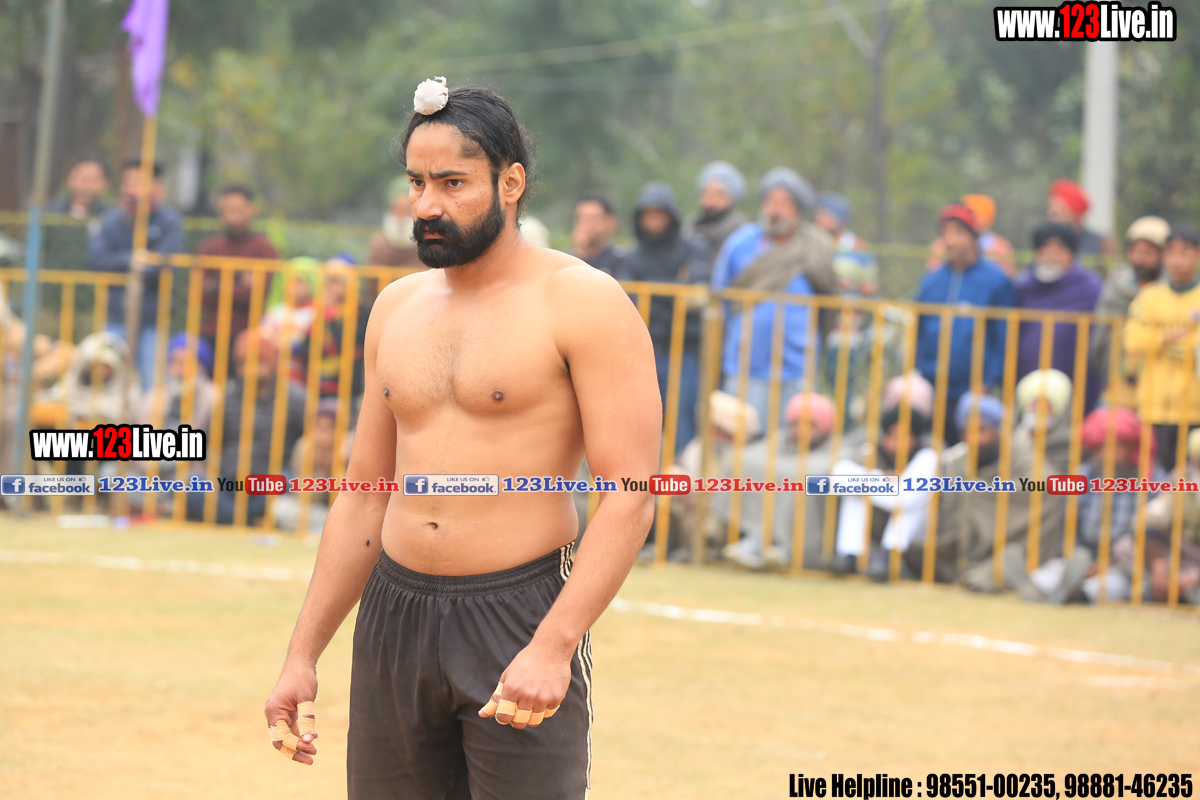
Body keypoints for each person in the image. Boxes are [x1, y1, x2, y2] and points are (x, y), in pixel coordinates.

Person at [263, 82, 660, 800]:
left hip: (517, 612)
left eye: (452, 183)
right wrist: (302, 654)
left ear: (512, 183)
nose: (426, 205)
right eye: (416, 182)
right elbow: (363, 496)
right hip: (394, 612)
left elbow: (629, 496)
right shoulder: (395, 307)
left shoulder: (584, 301)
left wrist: (553, 644)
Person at [710, 167, 835, 425]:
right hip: (745, 364)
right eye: (770, 202)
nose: (775, 210)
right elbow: (720, 297)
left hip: (796, 368)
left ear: (798, 211)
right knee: (739, 436)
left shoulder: (815, 247)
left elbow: (829, 302)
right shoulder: (741, 243)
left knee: (791, 440)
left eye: (784, 204)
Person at [618, 181, 707, 453]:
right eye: (648, 214)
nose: (653, 221)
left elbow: (697, 294)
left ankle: (682, 478)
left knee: (683, 420)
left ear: (671, 216)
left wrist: (654, 291)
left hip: (685, 350)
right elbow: (630, 302)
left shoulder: (693, 249)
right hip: (644, 350)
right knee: (640, 421)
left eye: (660, 214)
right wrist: (675, 289)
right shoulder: (631, 257)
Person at [187, 327, 306, 526]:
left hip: (272, 482)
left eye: (258, 361)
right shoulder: (227, 399)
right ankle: (251, 519)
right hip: (230, 482)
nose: (250, 369)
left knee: (288, 482)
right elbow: (207, 443)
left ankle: (236, 517)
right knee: (190, 484)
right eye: (243, 363)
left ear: (272, 362)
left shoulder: (295, 399)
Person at [915, 204, 1014, 444]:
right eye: (945, 233)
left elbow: (1003, 337)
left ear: (974, 237)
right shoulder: (931, 281)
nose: (951, 240)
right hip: (932, 384)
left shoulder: (996, 281)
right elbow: (918, 333)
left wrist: (989, 381)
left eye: (958, 232)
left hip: (974, 388)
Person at [87, 157, 186, 390]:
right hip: (116, 315)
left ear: (156, 185)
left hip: (153, 317)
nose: (133, 187)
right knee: (107, 382)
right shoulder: (112, 221)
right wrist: (133, 259)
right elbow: (97, 260)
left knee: (152, 384)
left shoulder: (168, 221)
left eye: (140, 181)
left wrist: (144, 264)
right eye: (128, 181)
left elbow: (166, 262)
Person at [717, 392, 838, 571]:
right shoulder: (777, 442)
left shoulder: (837, 452)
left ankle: (783, 548)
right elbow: (745, 458)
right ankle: (757, 540)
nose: (801, 430)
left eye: (810, 424)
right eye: (796, 423)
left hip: (811, 537)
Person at [829, 403, 937, 579]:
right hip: (876, 527)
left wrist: (867, 484)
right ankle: (850, 556)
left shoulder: (927, 456)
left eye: (903, 436)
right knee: (854, 494)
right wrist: (886, 480)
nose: (896, 442)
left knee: (911, 503)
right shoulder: (871, 452)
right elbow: (839, 475)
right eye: (891, 435)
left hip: (915, 540)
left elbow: (904, 499)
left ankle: (891, 559)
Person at [1123, 224, 1200, 473]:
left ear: (1197, 255)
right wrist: (1166, 338)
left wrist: (1176, 345)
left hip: (1193, 408)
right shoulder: (1149, 296)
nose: (1177, 260)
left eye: (1184, 253)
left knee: (1190, 478)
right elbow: (1132, 338)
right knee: (1155, 478)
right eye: (1171, 253)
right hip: (1152, 406)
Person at [1014, 221, 1103, 413]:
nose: (1051, 255)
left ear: (1071, 254)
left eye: (1059, 249)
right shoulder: (1024, 288)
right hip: (1028, 377)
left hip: (1075, 379)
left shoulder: (1088, 288)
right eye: (1045, 248)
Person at [1090, 216, 1170, 407]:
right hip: (1117, 378)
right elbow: (1101, 334)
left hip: (1161, 385)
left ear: (1163, 255)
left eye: (1148, 252)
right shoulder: (1117, 285)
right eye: (1135, 251)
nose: (1140, 259)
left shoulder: (1171, 290)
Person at [196, 185, 279, 352]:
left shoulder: (264, 248)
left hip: (250, 334)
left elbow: (259, 292)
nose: (232, 215)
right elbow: (199, 293)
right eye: (226, 209)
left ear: (251, 210)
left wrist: (217, 285)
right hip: (212, 331)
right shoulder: (209, 248)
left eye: (237, 209)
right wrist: (240, 282)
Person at [926, 194, 1016, 276]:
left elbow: (1008, 276)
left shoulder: (1000, 247)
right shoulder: (939, 246)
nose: (951, 241)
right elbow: (932, 272)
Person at [691, 160, 749, 271]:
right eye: (707, 193)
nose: (712, 201)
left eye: (719, 194)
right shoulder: (691, 228)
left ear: (732, 198)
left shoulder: (742, 231)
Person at [368, 176, 423, 267]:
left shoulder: (431, 250)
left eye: (407, 210)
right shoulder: (377, 247)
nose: (401, 218)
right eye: (396, 210)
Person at [1046, 178, 1108, 258]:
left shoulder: (1099, 243)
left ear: (1074, 214)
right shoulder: (1046, 242)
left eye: (1056, 214)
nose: (1053, 220)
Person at [569, 193, 623, 277]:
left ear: (609, 222)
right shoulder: (566, 260)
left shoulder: (621, 261)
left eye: (594, 219)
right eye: (581, 218)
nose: (586, 225)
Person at [46, 156, 109, 223]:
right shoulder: (52, 211)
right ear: (70, 179)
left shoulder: (108, 217)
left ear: (104, 183)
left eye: (94, 180)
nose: (87, 186)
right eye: (84, 179)